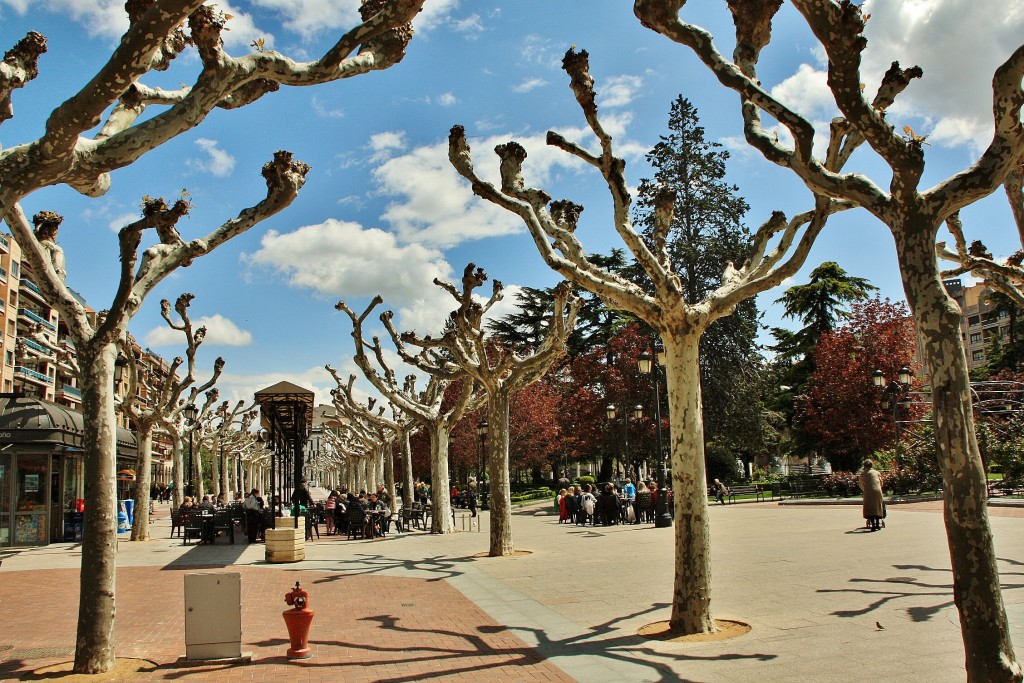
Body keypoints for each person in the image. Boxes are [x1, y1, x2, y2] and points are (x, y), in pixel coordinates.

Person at [859, 459, 885, 531]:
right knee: (878, 506)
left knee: (870, 508)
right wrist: (879, 488)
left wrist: (864, 490)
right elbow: (881, 482)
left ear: (864, 466)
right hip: (877, 490)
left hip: (868, 491)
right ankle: (877, 524)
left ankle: (873, 525)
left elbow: (860, 484)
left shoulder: (863, 474)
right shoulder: (877, 472)